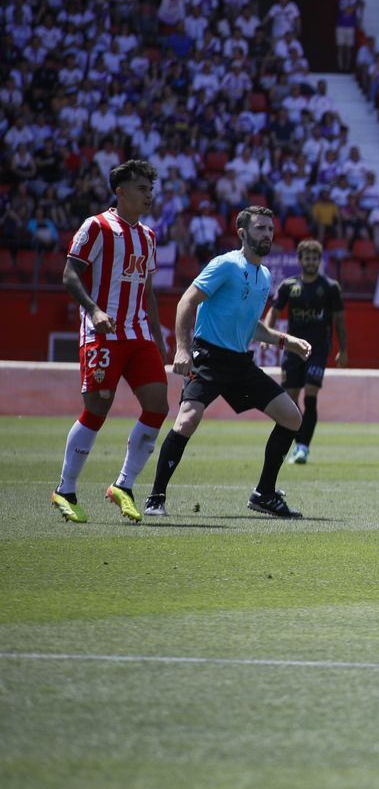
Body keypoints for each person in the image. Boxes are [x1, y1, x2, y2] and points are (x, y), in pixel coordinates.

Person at [143, 208, 313, 520]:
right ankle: (155, 498)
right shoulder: (225, 265)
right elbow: (186, 301)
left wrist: (286, 340)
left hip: (239, 364)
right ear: (242, 233)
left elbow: (251, 326)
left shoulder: (265, 276)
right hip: (208, 358)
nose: (267, 234)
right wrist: (182, 350)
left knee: (292, 418)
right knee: (187, 421)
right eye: (260, 228)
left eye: (270, 229)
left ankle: (264, 494)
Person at [51, 159, 169, 524]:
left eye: (151, 189)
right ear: (121, 192)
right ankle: (66, 489)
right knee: (97, 409)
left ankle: (124, 485)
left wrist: (159, 336)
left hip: (138, 334)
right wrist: (94, 310)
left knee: (158, 406)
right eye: (142, 189)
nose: (149, 195)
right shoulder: (97, 226)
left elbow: (148, 292)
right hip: (102, 333)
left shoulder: (148, 236)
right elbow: (69, 275)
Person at [267, 239, 348, 465]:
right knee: (290, 401)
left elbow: (340, 320)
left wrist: (343, 349)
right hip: (293, 349)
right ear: (300, 260)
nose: (311, 262)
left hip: (318, 349)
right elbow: (274, 312)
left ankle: (303, 447)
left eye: (314, 258)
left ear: (319, 261)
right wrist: (267, 335)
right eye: (307, 258)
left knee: (311, 395)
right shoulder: (288, 286)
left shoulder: (331, 287)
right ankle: (298, 444)